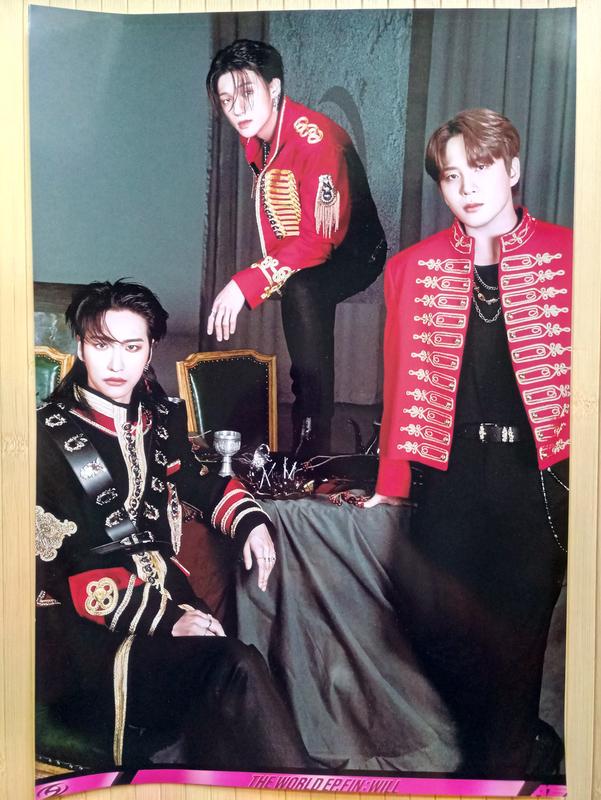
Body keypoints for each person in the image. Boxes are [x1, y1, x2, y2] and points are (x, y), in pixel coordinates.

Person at [365, 109, 571, 776]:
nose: (468, 188)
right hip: (447, 475)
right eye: (452, 177)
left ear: (512, 170)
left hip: (536, 477)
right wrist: (392, 481)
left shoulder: (574, 256)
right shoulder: (412, 268)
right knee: (440, 627)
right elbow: (400, 381)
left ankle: (501, 769)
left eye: (480, 168)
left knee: (519, 639)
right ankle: (513, 748)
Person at [35, 279, 311, 772]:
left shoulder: (158, 419)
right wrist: (166, 621)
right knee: (234, 667)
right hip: (87, 633)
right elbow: (54, 564)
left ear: (150, 350)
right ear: (79, 346)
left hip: (169, 596)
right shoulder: (42, 433)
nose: (117, 363)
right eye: (102, 345)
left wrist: (251, 522)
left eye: (132, 347)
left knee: (237, 666)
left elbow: (201, 483)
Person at [205, 39, 387, 456]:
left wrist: (249, 281)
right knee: (297, 287)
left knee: (303, 290)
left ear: (274, 89)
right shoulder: (257, 134)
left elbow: (319, 242)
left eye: (247, 93)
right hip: (310, 241)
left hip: (355, 250)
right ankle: (305, 443)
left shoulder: (316, 141)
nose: (237, 109)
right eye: (227, 99)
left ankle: (311, 448)